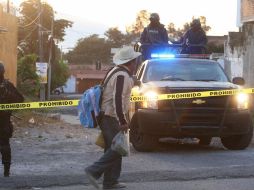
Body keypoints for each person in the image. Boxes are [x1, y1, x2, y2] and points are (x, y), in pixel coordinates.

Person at [85, 46, 141, 189]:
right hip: (112, 117)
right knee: (118, 149)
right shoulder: (121, 75)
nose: (136, 64)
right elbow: (118, 98)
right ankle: (93, 170)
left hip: (108, 116)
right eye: (135, 61)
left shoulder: (115, 71)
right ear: (131, 62)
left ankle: (110, 182)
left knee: (113, 147)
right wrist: (122, 120)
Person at [0, 62, 24, 177]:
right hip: (5, 122)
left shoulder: (7, 86)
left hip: (4, 121)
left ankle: (6, 171)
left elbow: (20, 100)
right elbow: (20, 100)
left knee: (5, 146)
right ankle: (6, 171)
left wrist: (8, 95)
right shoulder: (8, 85)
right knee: (5, 145)